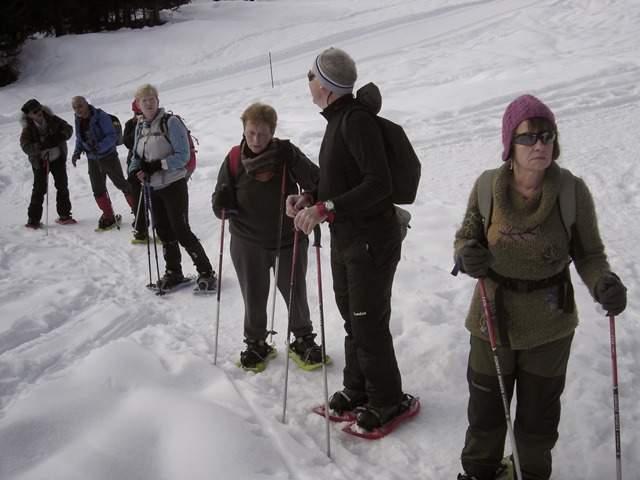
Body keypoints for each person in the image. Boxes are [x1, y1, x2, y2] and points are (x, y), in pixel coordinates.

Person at [452, 94, 627, 480]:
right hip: (491, 318)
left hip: (550, 323)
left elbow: (591, 254)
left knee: (537, 417)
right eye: (529, 138)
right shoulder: (487, 187)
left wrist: (603, 283)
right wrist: (468, 254)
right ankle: (479, 470)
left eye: (547, 136)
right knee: (485, 410)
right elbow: (465, 236)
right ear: (509, 145)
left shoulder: (570, 191)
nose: (540, 145)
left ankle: (530, 473)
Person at [286, 47, 413, 431]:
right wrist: (310, 197)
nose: (307, 82)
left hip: (370, 241)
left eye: (310, 76)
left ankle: (388, 399)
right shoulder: (337, 120)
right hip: (348, 239)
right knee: (353, 320)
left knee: (368, 322)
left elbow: (378, 184)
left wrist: (324, 209)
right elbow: (342, 179)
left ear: (323, 84)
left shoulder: (355, 121)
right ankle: (358, 389)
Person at [211, 102, 324, 370]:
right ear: (244, 129)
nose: (256, 140)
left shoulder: (286, 153)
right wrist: (221, 202)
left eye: (263, 134)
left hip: (288, 239)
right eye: (251, 133)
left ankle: (303, 338)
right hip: (247, 241)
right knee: (254, 294)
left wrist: (295, 160)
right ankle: (256, 342)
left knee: (294, 290)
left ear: (272, 132)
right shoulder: (235, 157)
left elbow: (318, 182)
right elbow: (219, 202)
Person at [129, 83, 216, 291]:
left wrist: (158, 165)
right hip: (153, 187)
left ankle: (205, 271)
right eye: (144, 100)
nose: (148, 103)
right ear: (138, 105)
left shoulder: (171, 122)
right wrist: (136, 170)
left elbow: (183, 156)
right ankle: (173, 271)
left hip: (174, 184)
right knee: (163, 230)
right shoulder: (140, 127)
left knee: (181, 229)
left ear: (158, 101)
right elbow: (135, 156)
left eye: (151, 99)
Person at [70, 95, 133, 230]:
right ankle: (108, 214)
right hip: (92, 158)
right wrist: (77, 150)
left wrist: (100, 147)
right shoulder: (78, 119)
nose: (78, 110)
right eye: (74, 108)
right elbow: (79, 138)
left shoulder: (100, 116)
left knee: (121, 183)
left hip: (108, 155)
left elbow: (112, 135)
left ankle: (138, 210)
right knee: (97, 188)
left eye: (80, 106)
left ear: (86, 104)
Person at [20, 99, 75, 228]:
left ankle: (65, 214)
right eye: (35, 111)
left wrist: (61, 136)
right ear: (29, 115)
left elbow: (68, 128)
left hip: (58, 159)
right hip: (41, 163)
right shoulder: (27, 128)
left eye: (39, 109)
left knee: (62, 186)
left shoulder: (52, 119)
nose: (39, 112)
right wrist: (41, 146)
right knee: (39, 190)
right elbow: (25, 147)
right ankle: (33, 219)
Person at [123, 99, 149, 243]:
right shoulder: (130, 124)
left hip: (152, 164)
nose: (139, 115)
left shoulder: (154, 122)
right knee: (137, 196)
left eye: (141, 112)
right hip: (134, 164)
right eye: (136, 112)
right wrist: (137, 127)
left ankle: (162, 228)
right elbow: (127, 142)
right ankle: (141, 230)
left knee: (155, 198)